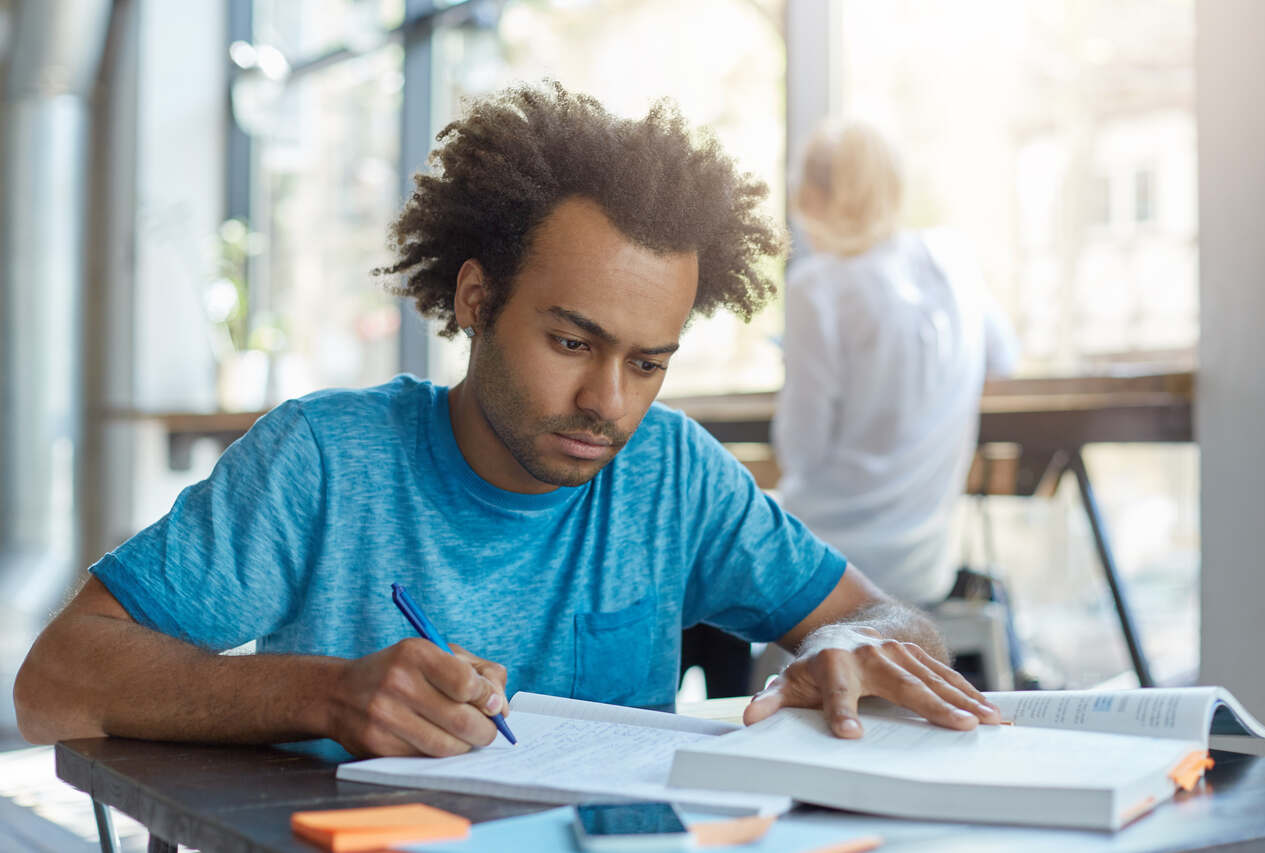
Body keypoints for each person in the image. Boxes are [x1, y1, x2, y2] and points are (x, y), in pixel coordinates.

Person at [14, 84, 1000, 759]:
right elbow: (54, 680)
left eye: (646, 362)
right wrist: (323, 694)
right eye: (572, 343)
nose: (607, 405)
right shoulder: (323, 460)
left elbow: (889, 618)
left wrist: (846, 647)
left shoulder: (671, 472)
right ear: (477, 300)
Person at [773, 119, 1019, 609]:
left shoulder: (817, 288)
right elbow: (1004, 358)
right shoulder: (951, 258)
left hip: (829, 561)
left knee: (706, 549)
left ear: (816, 199)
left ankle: (738, 686)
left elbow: (800, 451)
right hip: (925, 562)